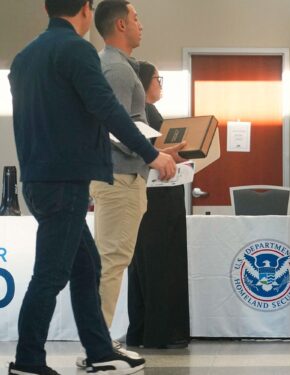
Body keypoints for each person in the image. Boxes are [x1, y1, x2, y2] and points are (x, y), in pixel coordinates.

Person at [7, 0, 176, 373]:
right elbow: (108, 110)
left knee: (88, 267)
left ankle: (99, 350)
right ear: (86, 9)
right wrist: (152, 154)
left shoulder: (23, 58)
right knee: (50, 274)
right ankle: (27, 360)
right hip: (63, 181)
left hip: (37, 178)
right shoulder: (76, 50)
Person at [86, 1, 184, 364]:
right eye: (137, 17)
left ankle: (98, 342)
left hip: (125, 175)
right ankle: (97, 347)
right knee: (111, 262)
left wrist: (159, 149)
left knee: (113, 261)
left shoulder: (121, 67)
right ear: (121, 24)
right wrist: (152, 155)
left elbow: (128, 126)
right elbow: (112, 126)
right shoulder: (114, 68)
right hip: (118, 177)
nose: (142, 24)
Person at [126, 61, 191, 349]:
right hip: (156, 201)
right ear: (142, 82)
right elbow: (149, 155)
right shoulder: (142, 114)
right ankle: (158, 332)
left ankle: (146, 331)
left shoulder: (150, 112)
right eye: (156, 78)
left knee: (149, 268)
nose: (160, 84)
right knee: (155, 268)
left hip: (159, 196)